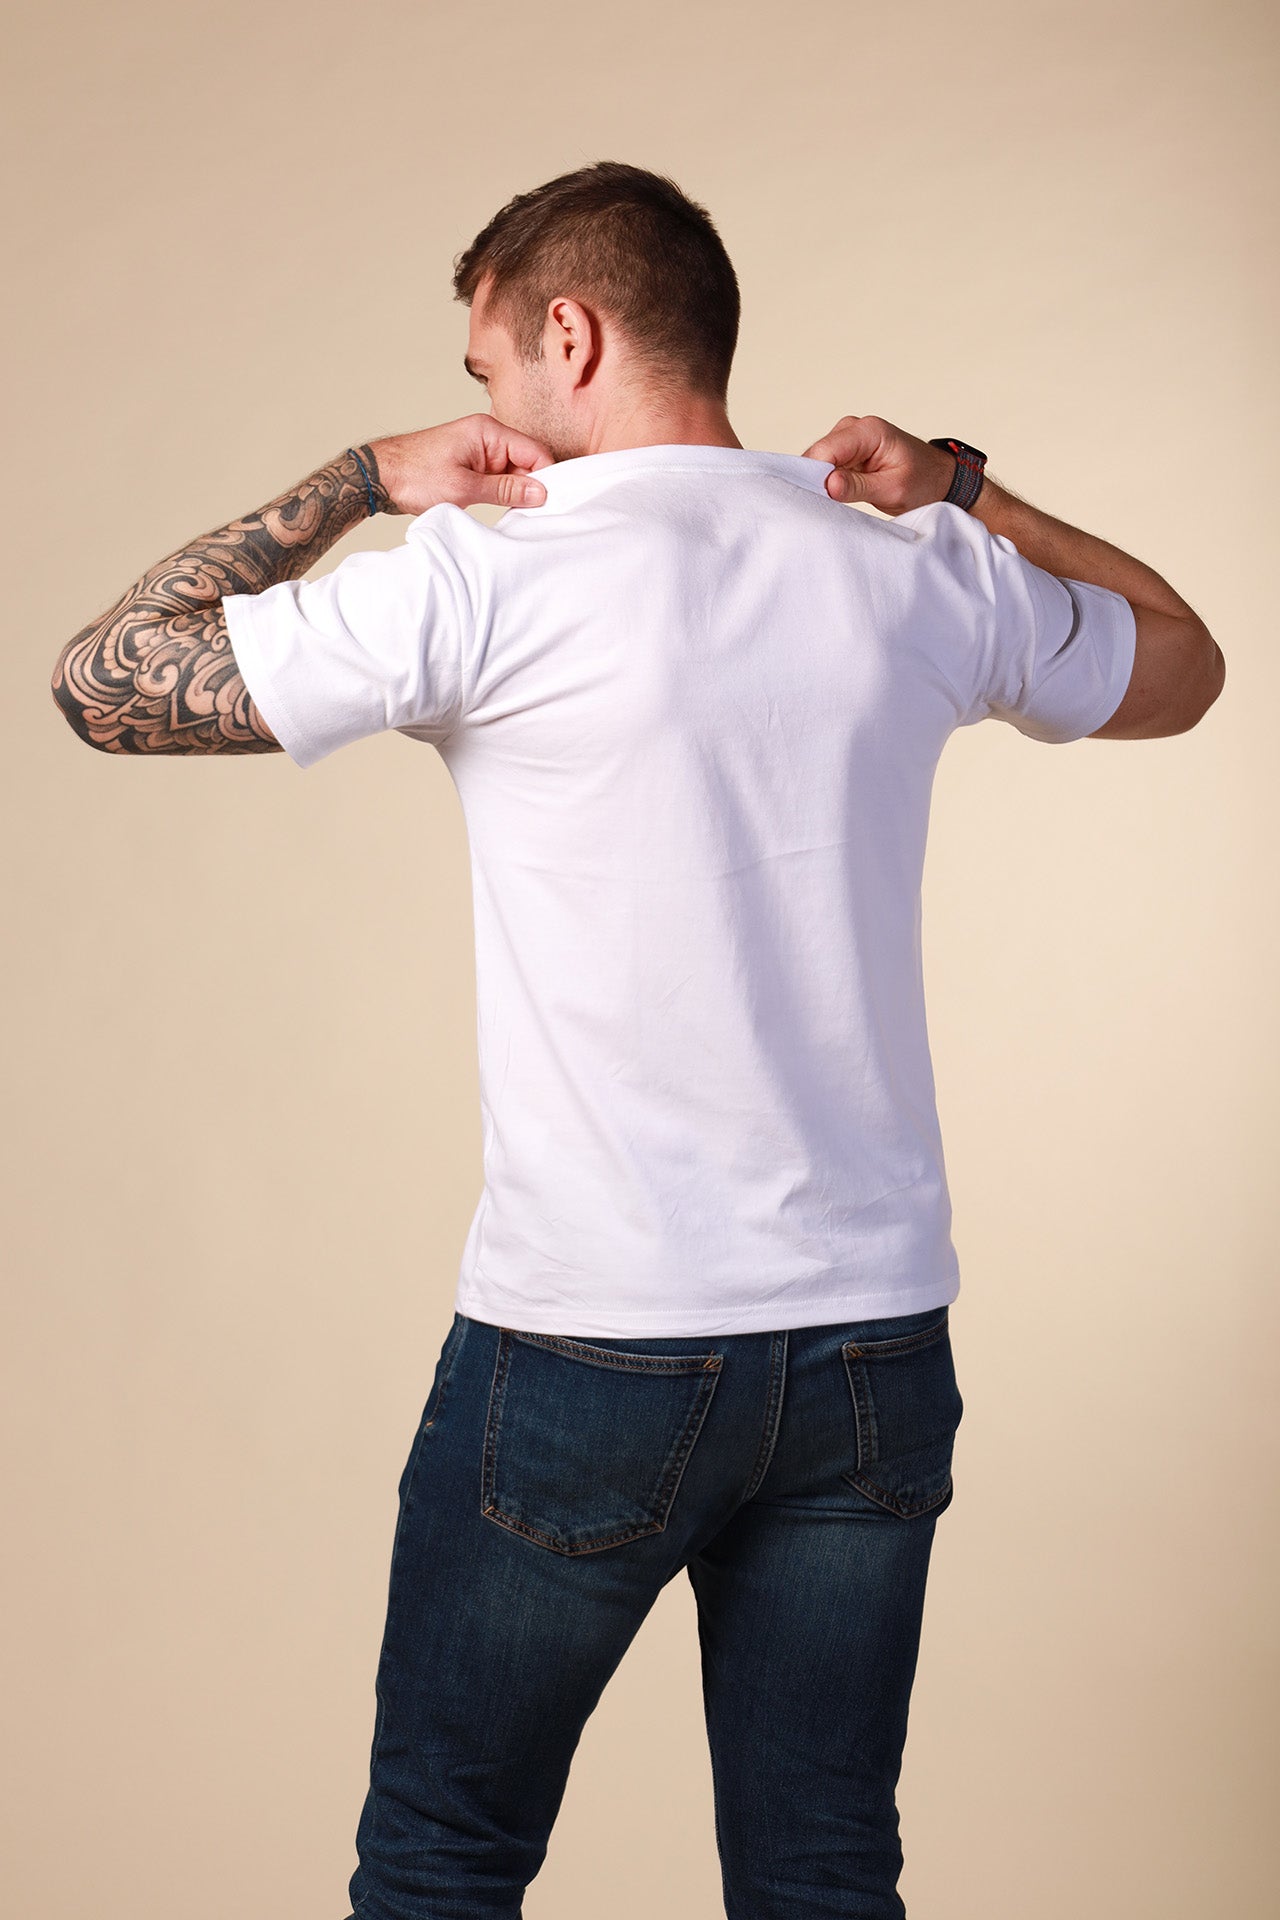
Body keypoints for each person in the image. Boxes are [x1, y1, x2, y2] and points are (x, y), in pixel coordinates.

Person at [51, 160, 1224, 1920]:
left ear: (568, 334)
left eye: (481, 368)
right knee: (826, 1875)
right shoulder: (913, 571)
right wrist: (970, 486)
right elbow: (1187, 662)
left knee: (443, 1862)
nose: (477, 413)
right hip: (866, 1346)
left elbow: (103, 676)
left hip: (591, 1344)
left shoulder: (484, 575)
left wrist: (368, 480)